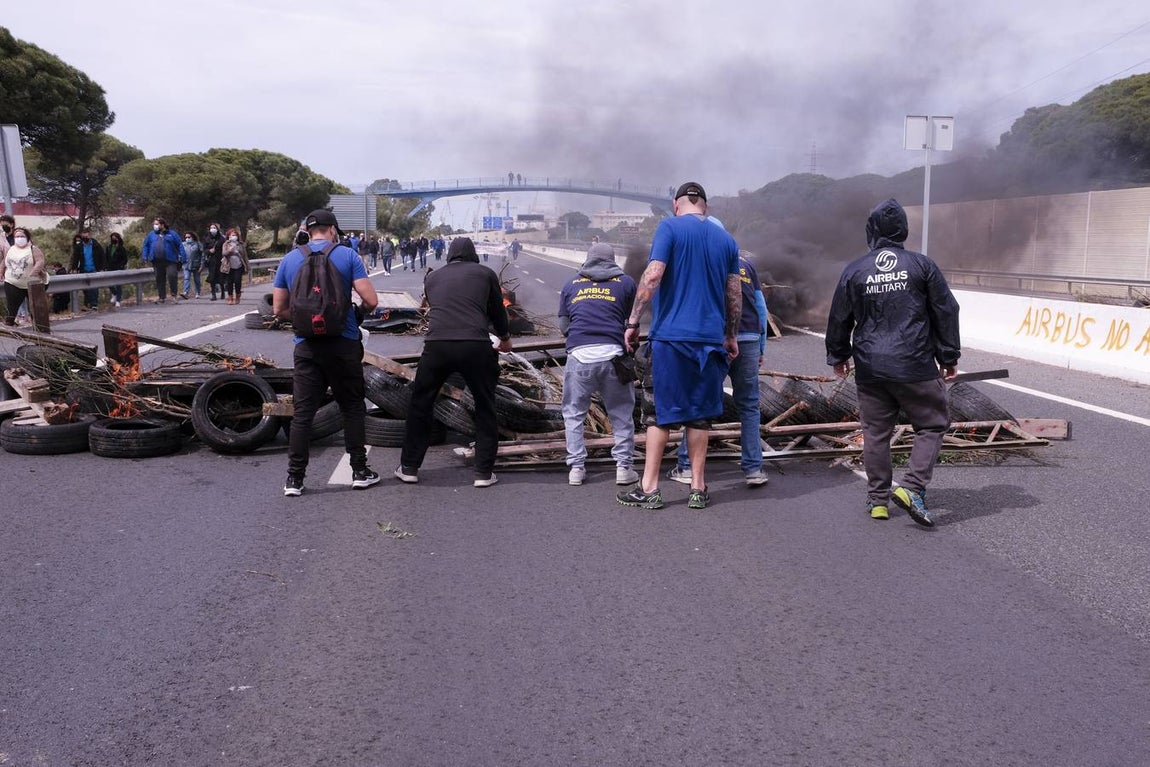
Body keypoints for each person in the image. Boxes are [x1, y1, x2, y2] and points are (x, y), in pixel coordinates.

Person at [825, 198, 961, 527]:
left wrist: (838, 354)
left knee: (875, 433)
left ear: (871, 231)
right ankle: (912, 487)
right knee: (931, 425)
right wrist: (949, 355)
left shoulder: (855, 270)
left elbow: (839, 317)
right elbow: (946, 311)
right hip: (914, 363)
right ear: (903, 229)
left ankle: (878, 501)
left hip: (870, 366)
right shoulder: (922, 266)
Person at [616, 182, 741, 511]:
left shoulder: (669, 227)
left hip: (671, 339)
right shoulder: (727, 240)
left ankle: (649, 488)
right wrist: (730, 335)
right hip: (710, 340)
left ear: (676, 204)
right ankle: (698, 488)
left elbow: (653, 276)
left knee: (659, 414)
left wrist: (632, 322)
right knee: (700, 417)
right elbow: (734, 295)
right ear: (705, 206)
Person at [272, 208, 380, 496]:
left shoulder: (290, 258)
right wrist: (354, 312)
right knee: (352, 407)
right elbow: (371, 300)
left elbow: (279, 309)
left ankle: (294, 479)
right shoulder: (347, 255)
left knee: (303, 414)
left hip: (306, 346)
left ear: (308, 230)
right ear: (332, 229)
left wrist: (306, 317)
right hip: (343, 344)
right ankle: (359, 471)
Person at [394, 237, 512, 488]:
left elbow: (440, 307)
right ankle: (483, 473)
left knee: (421, 403)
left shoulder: (433, 278)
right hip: (475, 345)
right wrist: (505, 338)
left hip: (438, 345)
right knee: (484, 404)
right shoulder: (485, 273)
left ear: (449, 255)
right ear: (473, 255)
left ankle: (409, 467)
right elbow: (496, 311)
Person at [669, 250, 769, 487]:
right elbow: (760, 307)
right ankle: (754, 469)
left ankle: (685, 466)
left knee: (700, 402)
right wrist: (761, 347)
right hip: (750, 338)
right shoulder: (747, 265)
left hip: (717, 340)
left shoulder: (702, 262)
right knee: (749, 406)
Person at [558, 242, 638, 486]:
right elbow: (633, 319)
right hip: (614, 356)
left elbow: (563, 327)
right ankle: (624, 467)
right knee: (622, 414)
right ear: (613, 259)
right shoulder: (626, 283)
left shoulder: (571, 284)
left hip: (580, 356)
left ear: (588, 259)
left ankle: (576, 469)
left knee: (574, 414)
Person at [1, 227, 47, 326]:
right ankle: (9, 323)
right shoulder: (11, 249)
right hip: (12, 282)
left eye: (22, 236)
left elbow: (40, 261)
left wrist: (33, 273)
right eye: (17, 236)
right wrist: (1, 272)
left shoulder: (33, 249)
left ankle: (39, 325)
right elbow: (4, 262)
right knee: (12, 305)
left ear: (27, 237)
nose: (19, 238)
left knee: (35, 306)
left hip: (31, 283)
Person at [141, 217, 186, 303]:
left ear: (163, 225)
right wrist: (145, 256)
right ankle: (162, 297)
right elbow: (146, 246)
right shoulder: (151, 235)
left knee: (172, 276)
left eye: (157, 224)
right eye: (154, 224)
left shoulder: (172, 234)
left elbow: (180, 245)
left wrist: (183, 257)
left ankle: (173, 295)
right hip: (157, 261)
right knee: (159, 279)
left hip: (170, 261)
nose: (155, 226)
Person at [69, 227, 107, 311]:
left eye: (86, 236)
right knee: (85, 288)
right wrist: (74, 268)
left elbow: (102, 256)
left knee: (94, 287)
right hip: (84, 270)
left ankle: (94, 304)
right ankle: (88, 304)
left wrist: (102, 268)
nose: (85, 238)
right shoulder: (79, 247)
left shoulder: (96, 245)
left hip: (94, 269)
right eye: (83, 237)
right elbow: (76, 258)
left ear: (89, 235)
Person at [220, 227, 249, 305]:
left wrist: (247, 266)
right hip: (229, 266)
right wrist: (230, 250)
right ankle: (230, 297)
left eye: (235, 235)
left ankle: (238, 295)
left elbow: (245, 256)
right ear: (228, 236)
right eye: (232, 235)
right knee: (229, 282)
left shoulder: (241, 245)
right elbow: (224, 254)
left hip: (239, 265)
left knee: (237, 281)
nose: (233, 237)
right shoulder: (226, 244)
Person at [105, 232, 129, 307]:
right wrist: (105, 266)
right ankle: (114, 294)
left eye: (115, 238)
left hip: (118, 268)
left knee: (118, 285)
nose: (114, 239)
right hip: (110, 268)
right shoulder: (108, 247)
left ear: (118, 239)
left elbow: (125, 259)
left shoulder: (121, 248)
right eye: (112, 238)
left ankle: (118, 300)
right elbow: (105, 257)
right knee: (109, 283)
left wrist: (121, 266)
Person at [203, 223, 225, 300]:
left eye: (214, 228)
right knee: (212, 278)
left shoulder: (222, 239)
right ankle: (213, 294)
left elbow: (225, 248)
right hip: (211, 261)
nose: (212, 229)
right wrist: (209, 251)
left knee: (221, 277)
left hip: (220, 260)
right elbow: (204, 249)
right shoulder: (207, 239)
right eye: (211, 228)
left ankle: (222, 292)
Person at [182, 232, 203, 298]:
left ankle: (197, 292)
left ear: (193, 237)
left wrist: (202, 265)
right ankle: (186, 292)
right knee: (186, 278)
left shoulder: (198, 244)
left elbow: (202, 255)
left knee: (196, 279)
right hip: (186, 264)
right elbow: (180, 253)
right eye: (186, 237)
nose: (187, 239)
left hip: (196, 265)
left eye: (189, 237)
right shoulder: (183, 245)